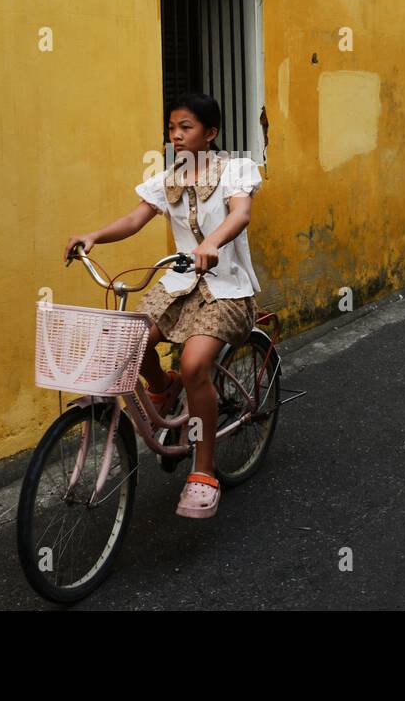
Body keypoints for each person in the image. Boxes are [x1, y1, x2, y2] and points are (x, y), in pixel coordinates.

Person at [64, 92, 263, 519]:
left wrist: (211, 243)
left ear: (210, 133)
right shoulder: (167, 178)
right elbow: (136, 219)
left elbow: (240, 214)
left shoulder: (235, 171)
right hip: (177, 286)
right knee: (129, 345)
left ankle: (204, 472)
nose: (176, 135)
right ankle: (163, 388)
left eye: (185, 127)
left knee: (194, 365)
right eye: (172, 128)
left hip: (225, 289)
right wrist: (94, 236)